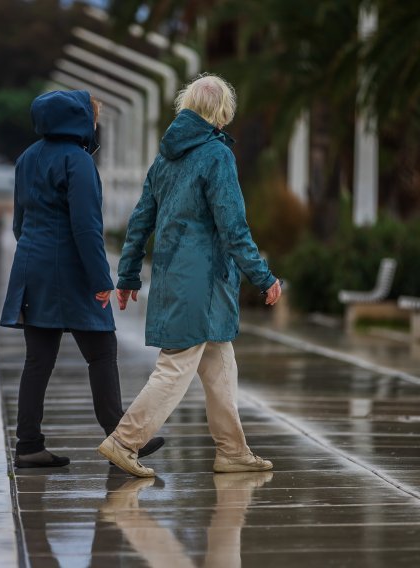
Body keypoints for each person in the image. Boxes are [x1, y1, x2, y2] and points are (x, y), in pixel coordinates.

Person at [97, 75, 282, 478]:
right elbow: (233, 226)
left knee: (219, 365)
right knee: (177, 366)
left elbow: (140, 220)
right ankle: (124, 441)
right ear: (222, 112)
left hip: (175, 277)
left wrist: (128, 276)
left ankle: (232, 450)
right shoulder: (217, 156)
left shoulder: (164, 158)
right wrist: (263, 276)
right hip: (203, 282)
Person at [0, 90, 164, 469]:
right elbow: (87, 227)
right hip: (69, 271)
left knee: (37, 360)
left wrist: (35, 255)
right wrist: (100, 278)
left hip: (31, 267)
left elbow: (18, 223)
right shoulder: (78, 162)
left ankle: (28, 445)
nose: (96, 123)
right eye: (94, 117)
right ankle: (121, 439)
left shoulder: (26, 158)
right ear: (78, 120)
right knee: (102, 350)